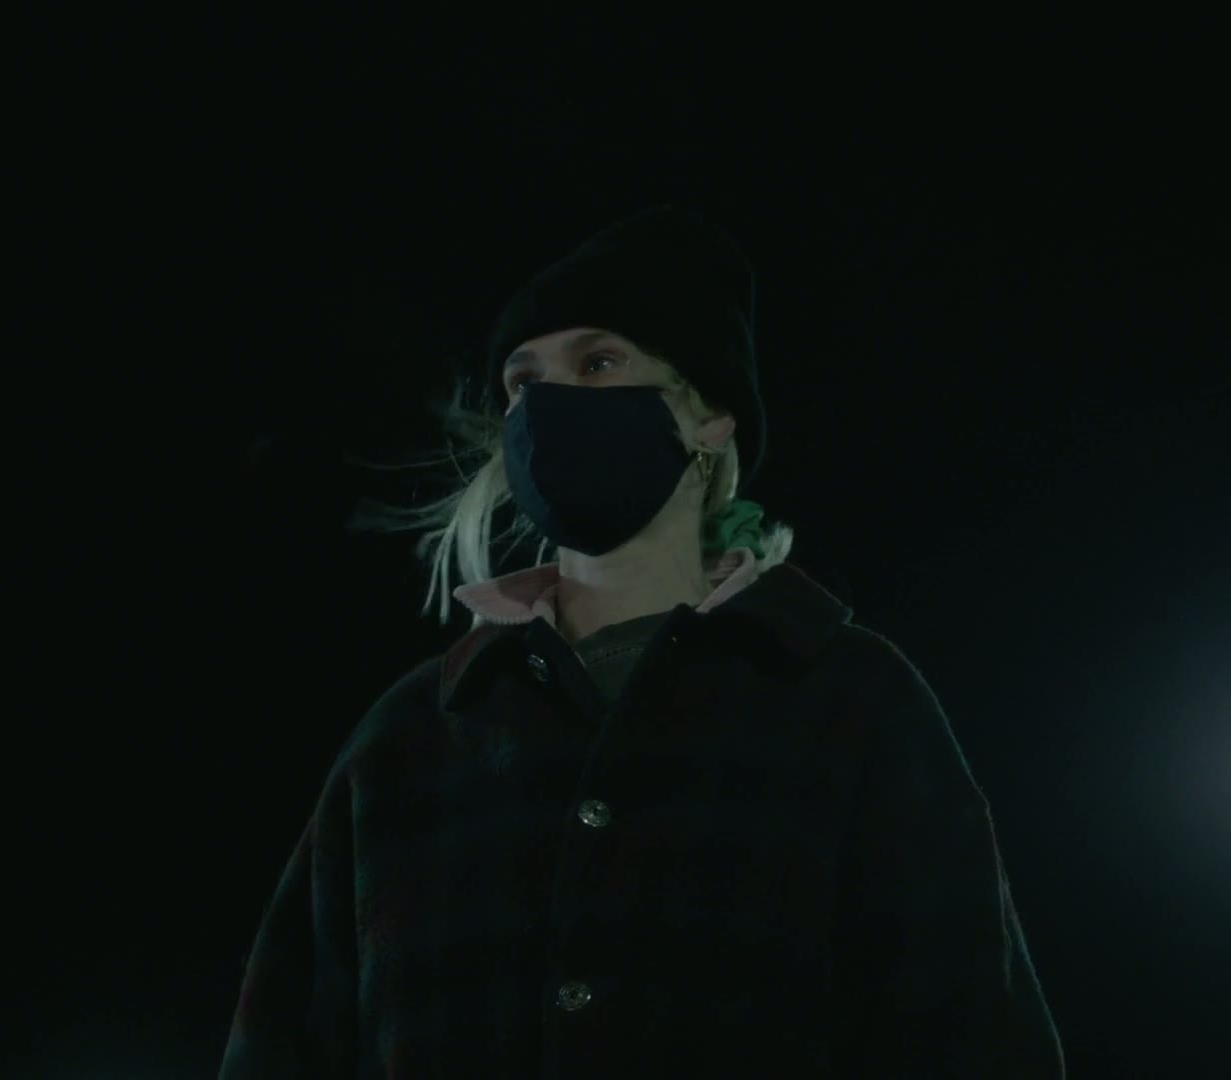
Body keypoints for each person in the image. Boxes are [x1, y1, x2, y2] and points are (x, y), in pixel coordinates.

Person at [218, 205, 1067, 1077]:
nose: (548, 404)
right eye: (522, 382)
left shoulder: (849, 703)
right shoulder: (408, 738)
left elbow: (976, 1041)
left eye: (599, 362)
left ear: (711, 417)